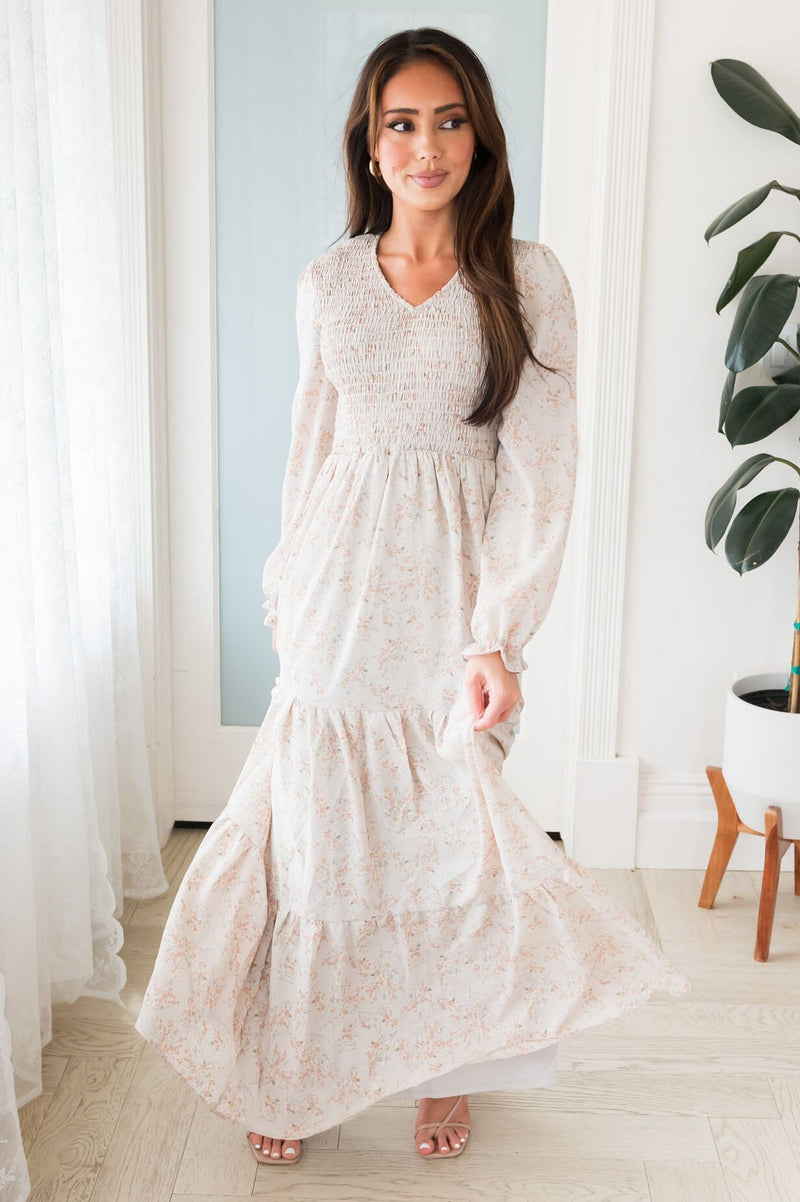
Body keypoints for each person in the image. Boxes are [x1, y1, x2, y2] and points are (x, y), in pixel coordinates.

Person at [134, 26, 690, 1168]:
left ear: (479, 136)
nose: (425, 145)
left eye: (448, 120)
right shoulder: (329, 281)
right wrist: (288, 582)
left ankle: (448, 1065)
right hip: (336, 593)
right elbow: (312, 447)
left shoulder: (527, 279)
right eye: (402, 123)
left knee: (447, 839)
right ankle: (294, 1067)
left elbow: (540, 468)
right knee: (317, 840)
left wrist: (498, 636)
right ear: (369, 143)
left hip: (450, 602)